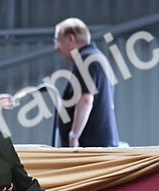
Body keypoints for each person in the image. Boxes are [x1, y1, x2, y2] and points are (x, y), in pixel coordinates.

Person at [51, 17, 120, 148]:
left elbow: (86, 100)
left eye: (58, 39)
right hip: (100, 145)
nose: (56, 47)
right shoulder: (98, 58)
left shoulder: (85, 59)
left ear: (71, 38)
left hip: (89, 148)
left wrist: (74, 136)